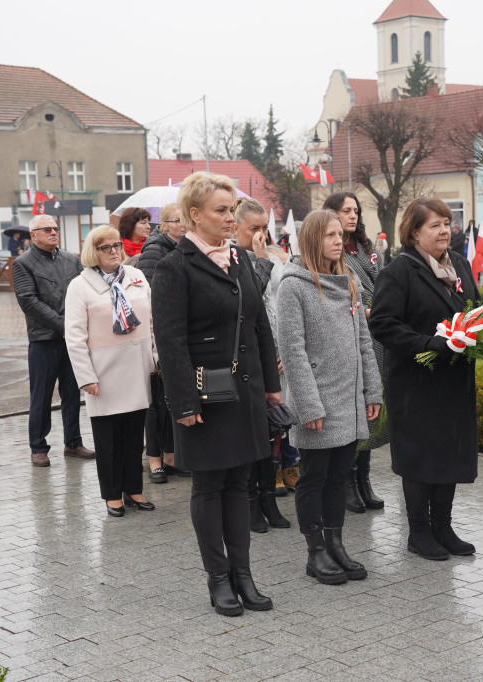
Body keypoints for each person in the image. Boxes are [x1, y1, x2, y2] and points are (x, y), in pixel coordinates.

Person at [152, 172, 278, 617]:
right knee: (209, 486)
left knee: (241, 484)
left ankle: (244, 575)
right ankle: (219, 579)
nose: (231, 218)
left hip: (243, 392)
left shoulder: (241, 261)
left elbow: (258, 324)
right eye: (221, 210)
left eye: (231, 209)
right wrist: (183, 403)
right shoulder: (174, 267)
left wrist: (273, 387)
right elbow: (170, 341)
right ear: (194, 215)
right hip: (204, 397)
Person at [369, 197, 481, 560]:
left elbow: (474, 312)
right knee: (421, 458)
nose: (445, 230)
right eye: (435, 225)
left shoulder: (459, 265)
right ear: (414, 233)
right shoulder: (399, 271)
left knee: (447, 453)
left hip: (452, 382)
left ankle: (443, 527)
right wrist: (430, 344)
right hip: (416, 383)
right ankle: (418, 532)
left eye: (447, 223)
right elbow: (382, 324)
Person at [277, 209, 382, 584]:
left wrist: (373, 389)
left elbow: (363, 343)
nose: (339, 241)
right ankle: (315, 551)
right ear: (311, 239)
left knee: (340, 474)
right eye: (330, 235)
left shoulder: (349, 278)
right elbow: (292, 350)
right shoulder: (293, 285)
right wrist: (308, 404)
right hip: (318, 400)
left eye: (341, 234)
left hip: (349, 398)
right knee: (314, 477)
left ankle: (336, 543)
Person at [65, 225, 157, 517]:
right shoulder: (80, 286)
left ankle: (133, 488)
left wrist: (156, 358)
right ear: (94, 251)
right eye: (106, 247)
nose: (114, 251)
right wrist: (86, 376)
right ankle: (111, 495)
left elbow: (153, 322)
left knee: (133, 435)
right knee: (108, 440)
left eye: (116, 245)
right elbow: (75, 336)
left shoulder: (137, 276)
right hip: (103, 372)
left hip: (137, 367)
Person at [322, 191, 388, 514]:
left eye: (355, 210)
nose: (352, 215)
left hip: (375, 335)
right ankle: (347, 481)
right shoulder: (328, 250)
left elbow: (383, 281)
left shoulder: (365, 246)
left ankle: (364, 478)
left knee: (372, 410)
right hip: (351, 329)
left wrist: (382, 306)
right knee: (354, 410)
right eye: (345, 210)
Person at [12, 214, 94, 468]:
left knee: (72, 393)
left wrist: (74, 327)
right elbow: (29, 301)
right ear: (33, 235)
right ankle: (38, 447)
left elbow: (85, 292)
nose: (53, 232)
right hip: (43, 339)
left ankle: (73, 442)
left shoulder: (71, 259)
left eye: (55, 228)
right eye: (46, 229)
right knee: (42, 395)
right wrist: (63, 325)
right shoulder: (23, 263)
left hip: (72, 340)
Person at [232, 197, 291, 532]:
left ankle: (269, 499)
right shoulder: (237, 258)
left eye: (264, 228)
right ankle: (253, 503)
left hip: (271, 351)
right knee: (252, 436)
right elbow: (251, 298)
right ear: (237, 227)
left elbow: (280, 304)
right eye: (253, 228)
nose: (260, 234)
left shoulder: (269, 256)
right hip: (245, 358)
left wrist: (280, 352)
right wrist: (260, 259)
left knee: (274, 432)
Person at [137, 203, 189, 483]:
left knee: (170, 398)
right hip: (156, 334)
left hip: (174, 330)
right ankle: (155, 460)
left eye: (184, 220)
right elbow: (152, 295)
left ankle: (170, 456)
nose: (182, 225)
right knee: (155, 400)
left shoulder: (180, 247)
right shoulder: (154, 249)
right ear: (164, 225)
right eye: (176, 221)